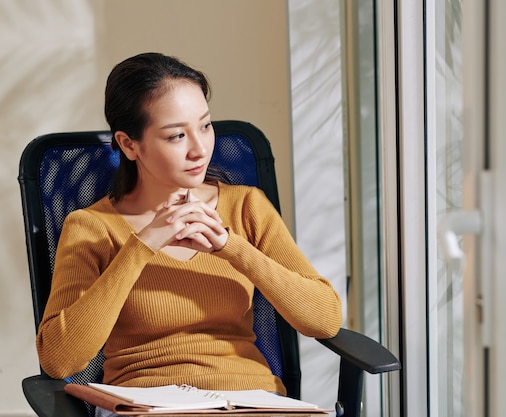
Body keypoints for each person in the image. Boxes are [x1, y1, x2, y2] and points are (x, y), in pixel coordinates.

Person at [35, 52, 343, 414]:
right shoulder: (92, 228)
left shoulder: (246, 207)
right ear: (129, 144)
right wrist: (142, 245)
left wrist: (231, 246)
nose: (200, 149)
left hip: (249, 401)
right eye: (177, 135)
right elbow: (60, 360)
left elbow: (324, 320)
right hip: (146, 404)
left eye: (206, 126)